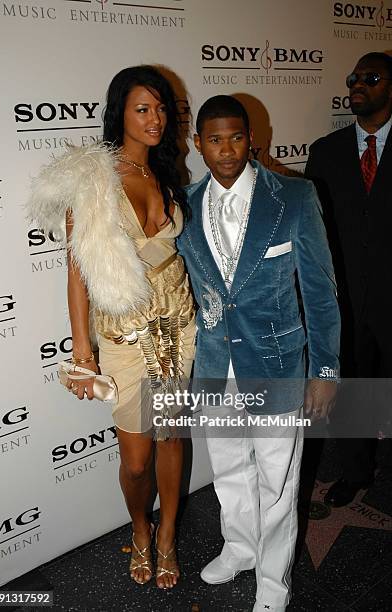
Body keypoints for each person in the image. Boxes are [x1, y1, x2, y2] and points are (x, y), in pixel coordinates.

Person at [27, 65, 196, 589]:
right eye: (142, 108)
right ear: (119, 112)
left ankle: (167, 535)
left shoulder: (167, 172)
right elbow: (77, 269)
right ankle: (140, 528)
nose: (155, 119)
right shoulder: (96, 178)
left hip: (178, 326)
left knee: (172, 439)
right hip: (125, 336)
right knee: (138, 457)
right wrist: (82, 350)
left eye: (162, 108)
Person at [177, 95, 340, 612]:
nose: (226, 151)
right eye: (214, 139)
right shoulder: (181, 203)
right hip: (213, 367)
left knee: (278, 481)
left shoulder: (293, 196)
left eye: (237, 137)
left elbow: (319, 291)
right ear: (197, 143)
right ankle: (240, 548)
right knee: (228, 471)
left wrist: (326, 370)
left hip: (277, 365)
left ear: (253, 139)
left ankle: (274, 580)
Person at [305, 52, 392, 507]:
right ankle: (356, 471)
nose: (357, 84)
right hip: (346, 301)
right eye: (353, 77)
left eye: (371, 77)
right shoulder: (325, 151)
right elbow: (312, 222)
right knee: (354, 388)